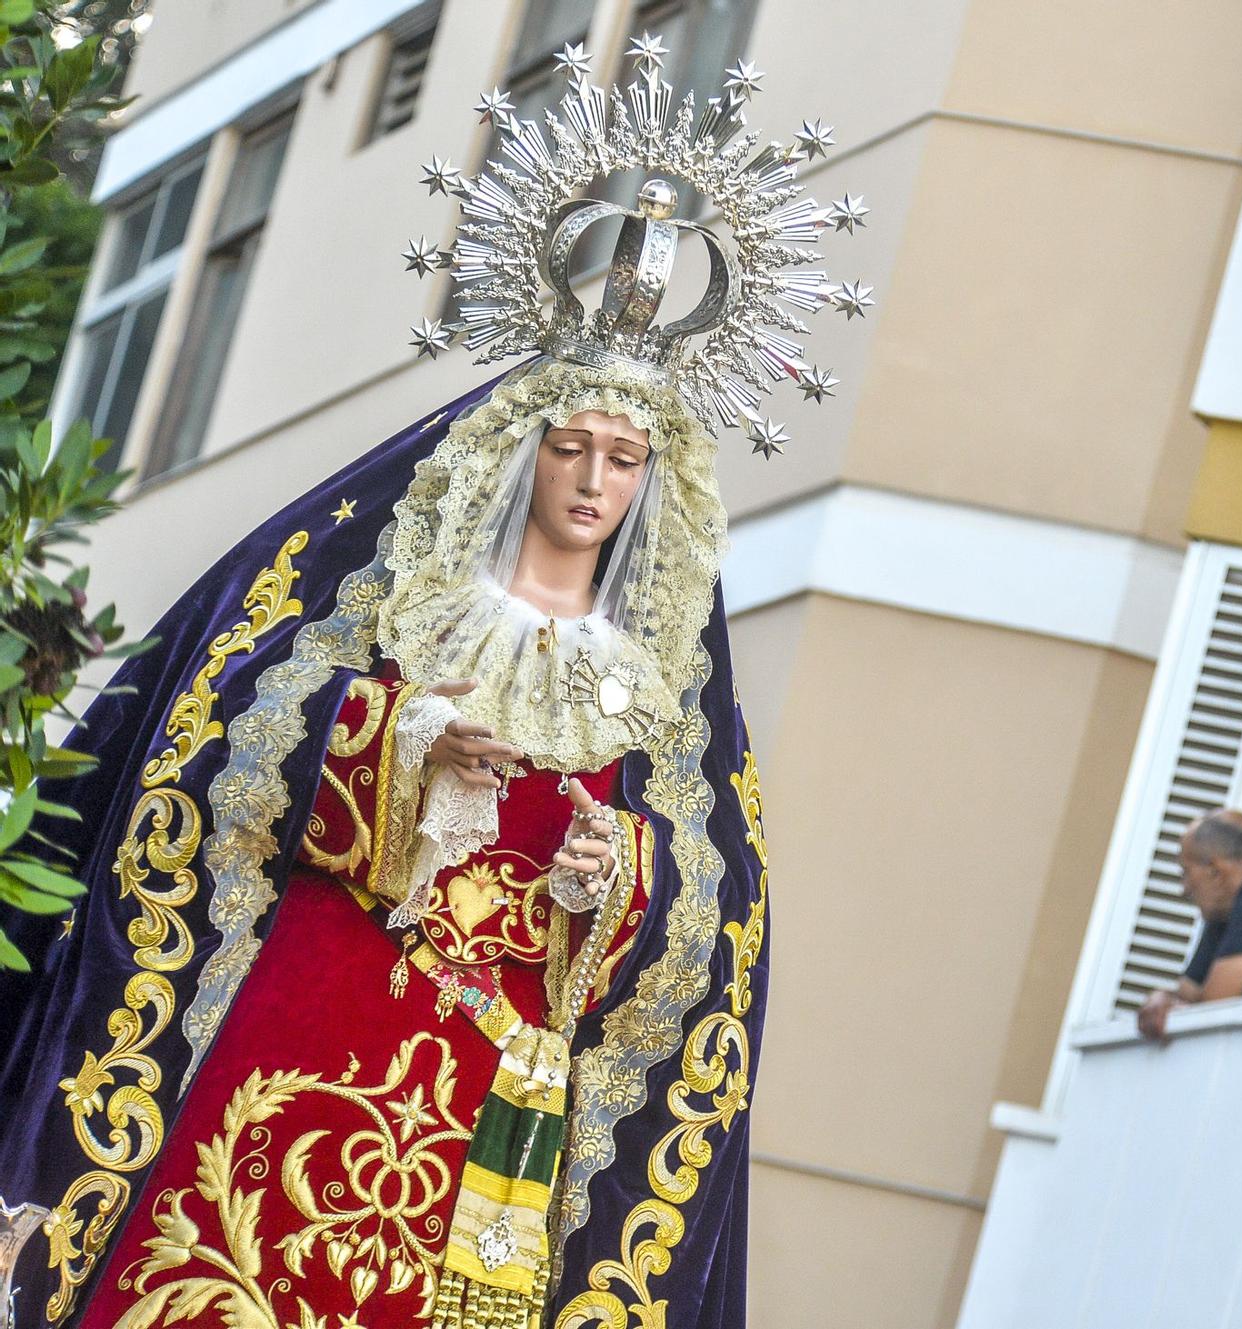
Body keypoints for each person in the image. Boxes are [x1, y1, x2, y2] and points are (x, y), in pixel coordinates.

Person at [0, 43, 865, 1329]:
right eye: (569, 445)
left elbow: (718, 921)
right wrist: (400, 748)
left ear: (652, 485)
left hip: (495, 1099)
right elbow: (207, 748)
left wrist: (614, 875)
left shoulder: (658, 684)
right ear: (517, 454)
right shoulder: (391, 604)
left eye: (624, 460)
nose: (591, 480)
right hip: (307, 1003)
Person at [1137, 811, 1242, 1042]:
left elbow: (1213, 1011)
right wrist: (1161, 998)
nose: (1184, 889)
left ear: (1215, 871)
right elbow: (1187, 995)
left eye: (1185, 872)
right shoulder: (1224, 912)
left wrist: (1176, 1006)